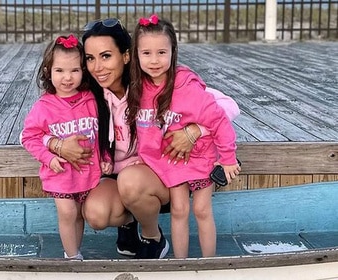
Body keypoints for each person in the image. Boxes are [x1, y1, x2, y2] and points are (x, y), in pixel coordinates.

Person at [45, 19, 240, 259]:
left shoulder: (150, 83)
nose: (97, 67)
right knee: (96, 213)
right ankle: (129, 225)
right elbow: (42, 123)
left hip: (157, 175)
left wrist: (193, 131)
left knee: (132, 182)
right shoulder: (88, 94)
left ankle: (152, 237)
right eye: (90, 58)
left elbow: (227, 106)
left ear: (126, 56)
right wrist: (58, 145)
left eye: (106, 56)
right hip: (115, 175)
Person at [121, 14, 241, 259]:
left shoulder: (187, 87)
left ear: (173, 52)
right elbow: (145, 130)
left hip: (199, 157)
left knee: (202, 209)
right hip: (171, 161)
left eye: (161, 53)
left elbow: (219, 119)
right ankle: (180, 264)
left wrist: (228, 159)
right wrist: (143, 158)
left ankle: (209, 264)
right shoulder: (137, 88)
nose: (154, 60)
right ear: (136, 54)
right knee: (179, 209)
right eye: (146, 53)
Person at [21, 34, 111, 260]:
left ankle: (75, 250)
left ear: (83, 71)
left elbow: (103, 132)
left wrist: (106, 155)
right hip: (59, 172)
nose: (67, 78)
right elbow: (29, 137)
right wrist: (48, 157)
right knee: (68, 212)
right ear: (48, 71)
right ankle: (71, 256)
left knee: (79, 214)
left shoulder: (92, 99)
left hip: (87, 172)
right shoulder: (44, 106)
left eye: (74, 70)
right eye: (59, 71)